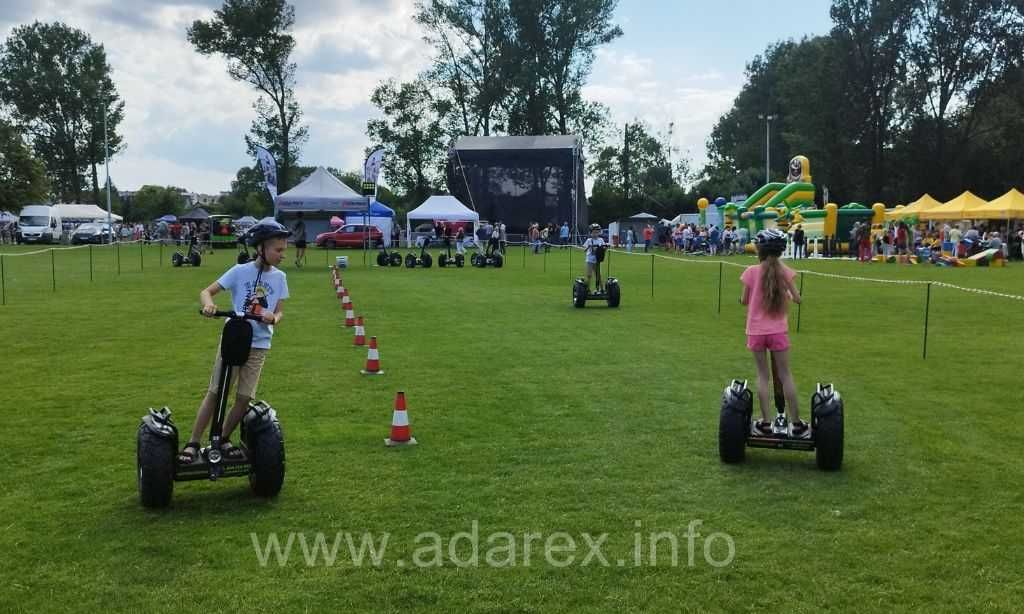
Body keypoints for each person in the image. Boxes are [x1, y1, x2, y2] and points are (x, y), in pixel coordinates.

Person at [176, 218, 291, 465]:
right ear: (260, 248)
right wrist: (209, 305)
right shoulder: (240, 271)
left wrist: (274, 318)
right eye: (278, 250)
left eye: (284, 249)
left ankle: (224, 437)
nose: (283, 254)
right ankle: (194, 442)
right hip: (235, 338)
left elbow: (280, 311)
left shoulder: (280, 278)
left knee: (244, 397)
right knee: (217, 391)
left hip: (259, 343)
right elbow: (207, 291)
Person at [740, 229, 807, 438]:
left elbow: (744, 300)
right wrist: (786, 293)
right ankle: (796, 422)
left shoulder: (751, 272)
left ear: (760, 250)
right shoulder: (785, 271)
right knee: (785, 375)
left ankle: (766, 422)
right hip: (778, 331)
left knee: (762, 376)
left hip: (756, 331)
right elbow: (797, 298)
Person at [582, 223, 607, 291]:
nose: (595, 234)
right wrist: (588, 247)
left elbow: (604, 248)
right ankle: (587, 289)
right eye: (594, 232)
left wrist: (605, 248)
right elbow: (584, 249)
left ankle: (601, 289)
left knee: (598, 275)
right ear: (591, 233)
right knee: (589, 275)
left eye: (597, 232)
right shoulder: (589, 240)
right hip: (590, 260)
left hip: (597, 260)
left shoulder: (601, 240)